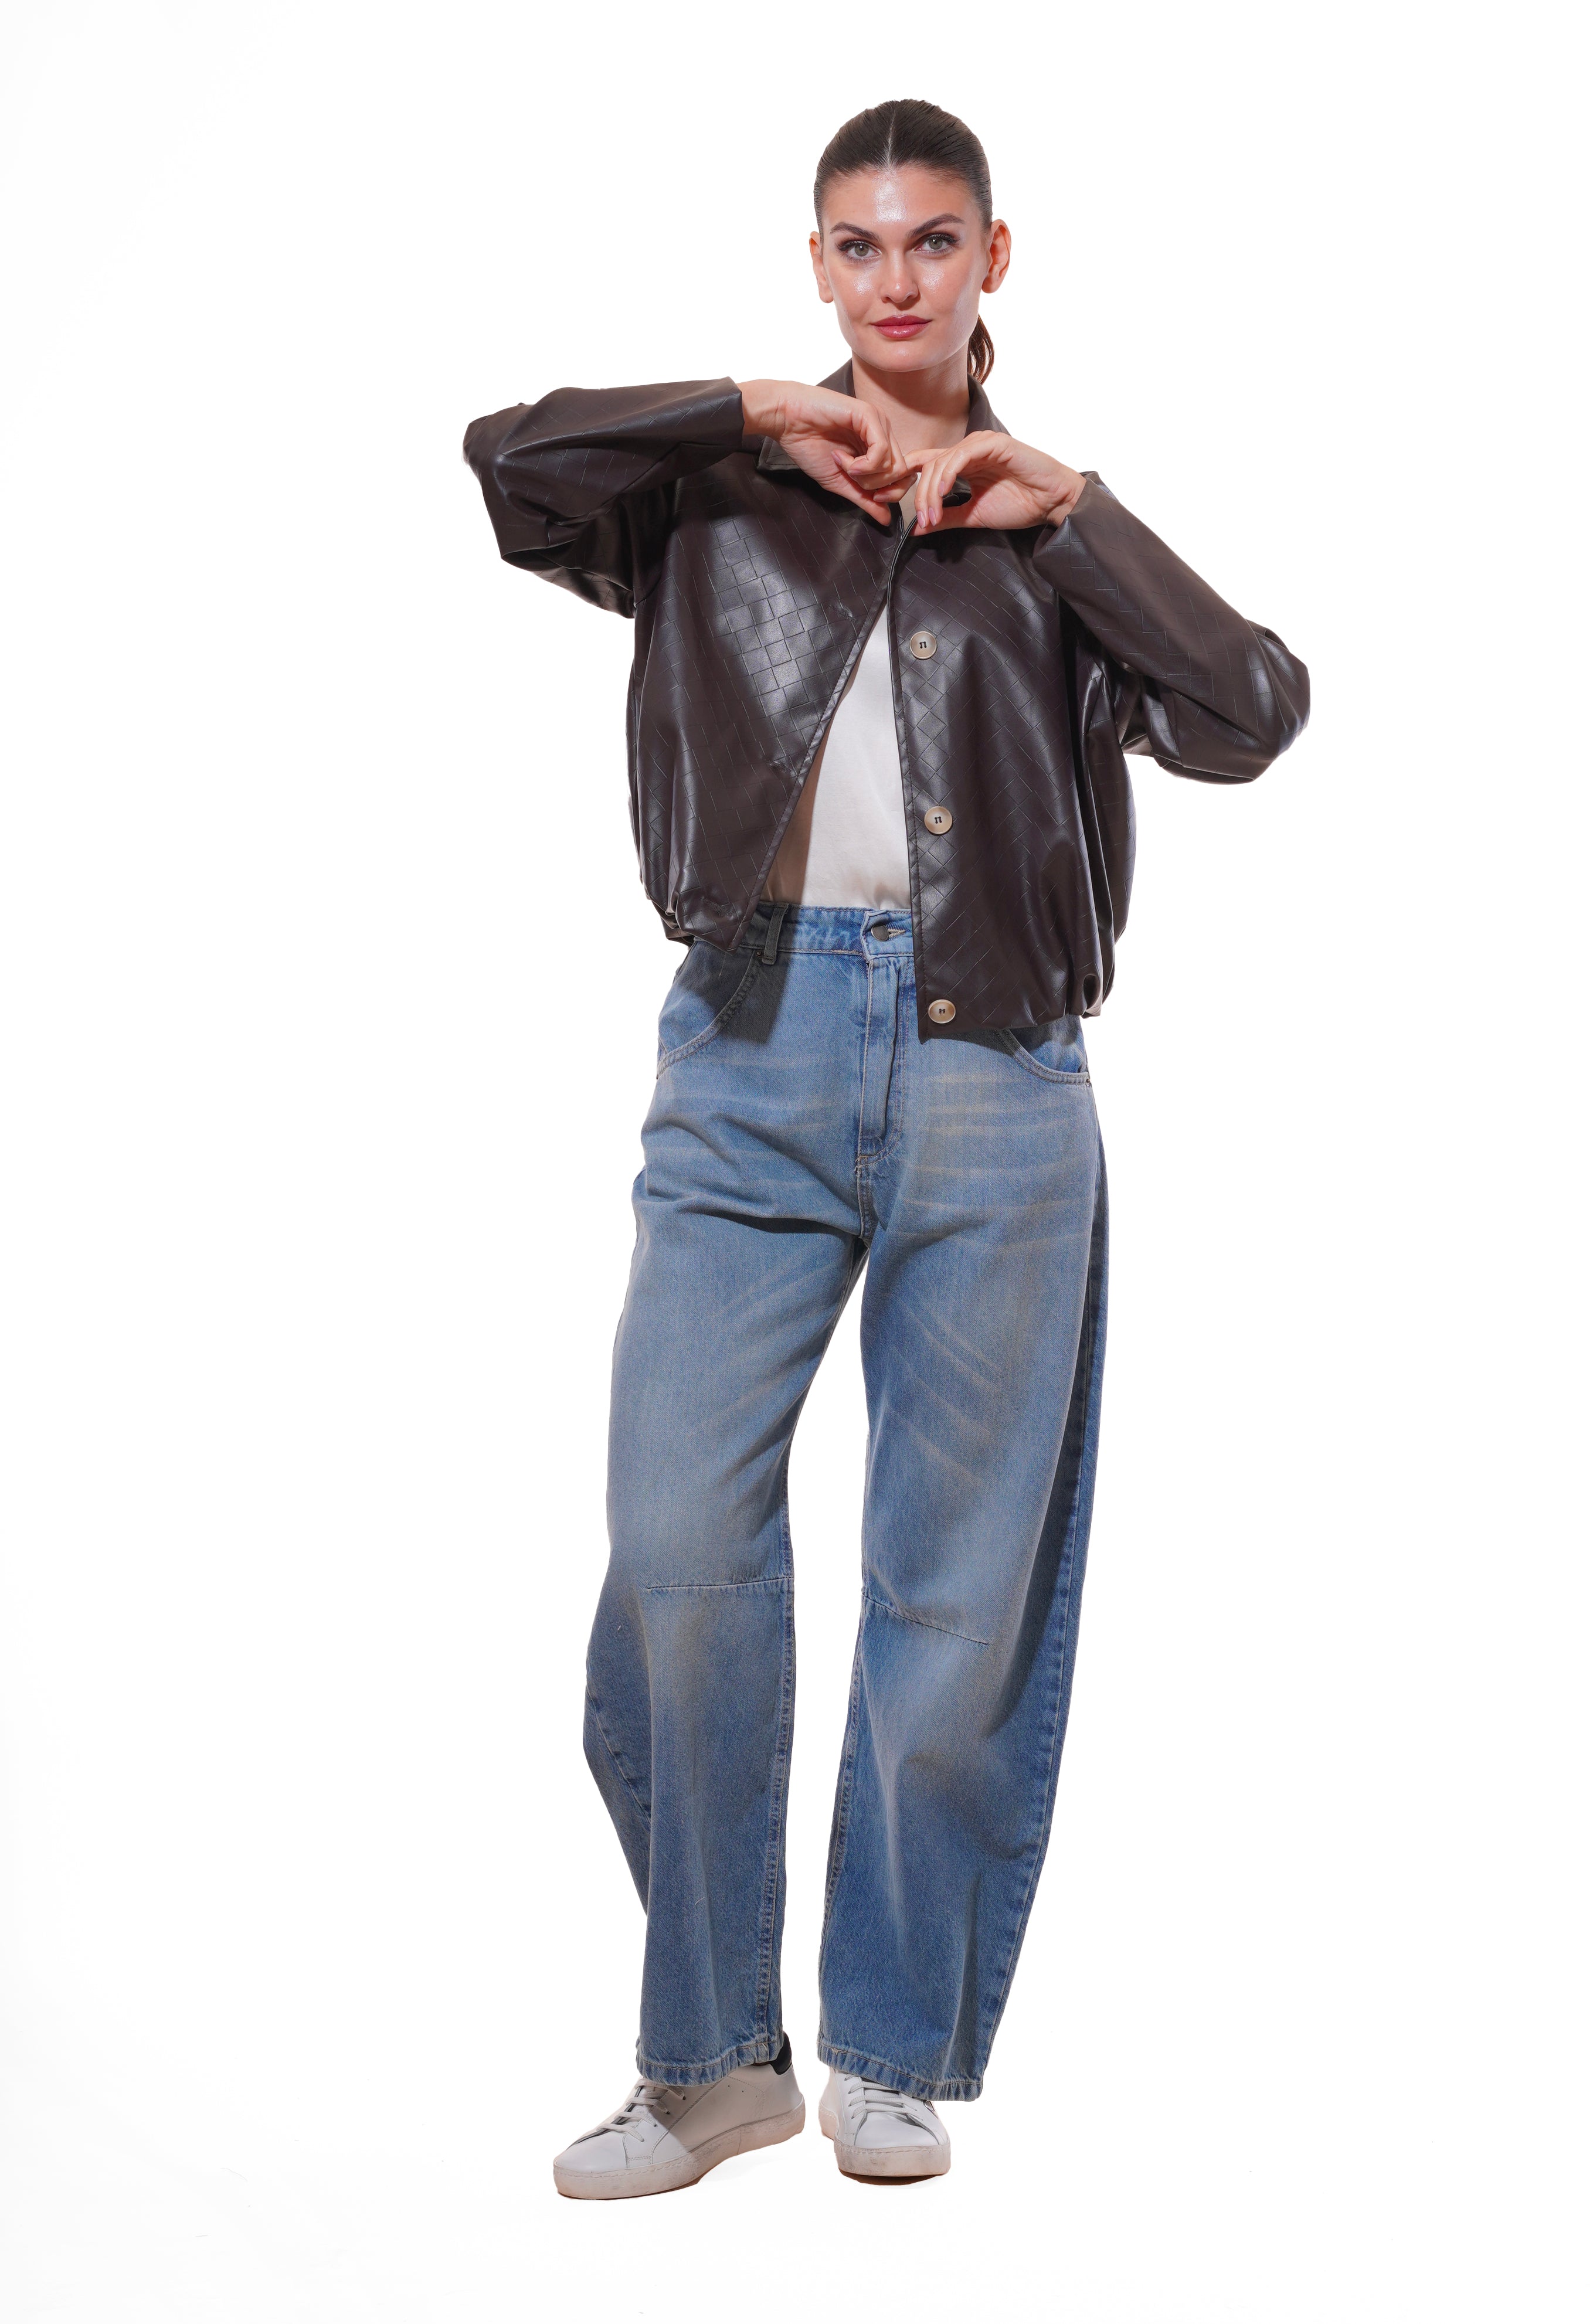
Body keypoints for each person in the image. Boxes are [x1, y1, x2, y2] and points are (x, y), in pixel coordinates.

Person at [463, 97, 1309, 2199]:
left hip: (996, 1077)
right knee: (677, 1545)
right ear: (818, 265)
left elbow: (1253, 708)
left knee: (951, 1599)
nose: (897, 279)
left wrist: (1074, 511)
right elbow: (511, 464)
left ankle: (892, 2046)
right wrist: (747, 410)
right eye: (859, 246)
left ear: (993, 259)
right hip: (747, 1055)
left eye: (935, 242)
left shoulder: (1044, 532)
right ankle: (708, 2060)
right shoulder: (713, 497)